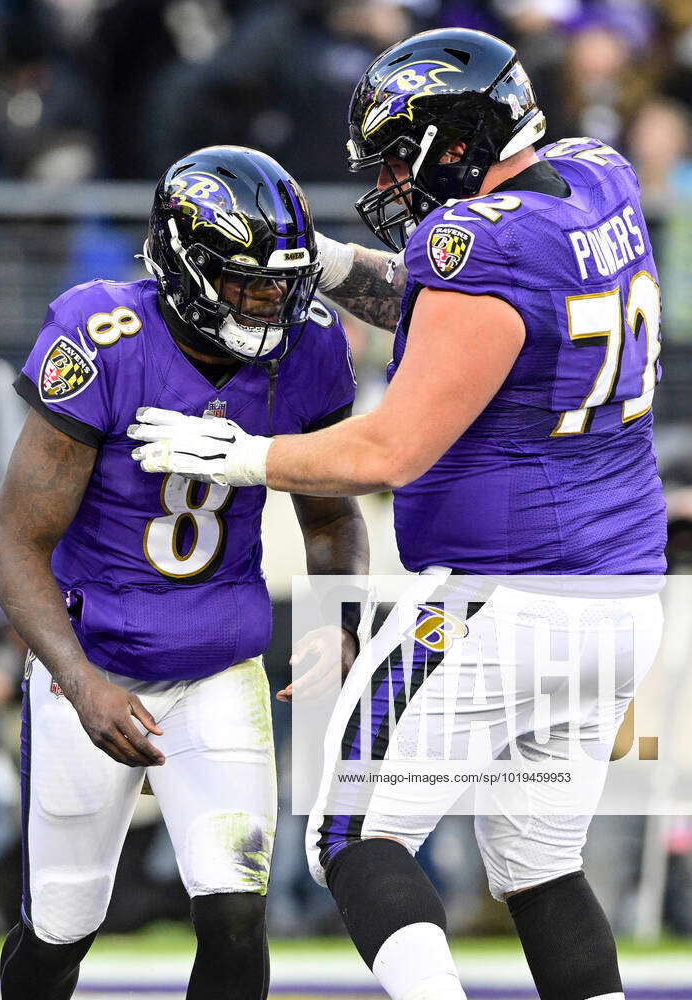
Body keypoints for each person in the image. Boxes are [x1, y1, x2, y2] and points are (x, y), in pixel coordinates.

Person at [128, 28, 667, 1000]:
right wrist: (334, 266)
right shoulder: (601, 176)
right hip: (620, 601)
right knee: (539, 864)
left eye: (394, 154)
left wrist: (247, 456)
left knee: (350, 832)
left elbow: (389, 450)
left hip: (499, 601)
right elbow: (469, 322)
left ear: (451, 139)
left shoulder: (473, 242)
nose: (387, 178)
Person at [0, 145, 367, 1000]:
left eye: (282, 282)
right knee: (60, 926)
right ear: (188, 267)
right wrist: (80, 682)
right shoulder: (101, 335)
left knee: (236, 911)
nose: (273, 301)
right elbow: (14, 543)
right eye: (248, 283)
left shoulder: (307, 347)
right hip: (92, 659)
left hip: (216, 666)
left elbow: (333, 514)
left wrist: (336, 621)